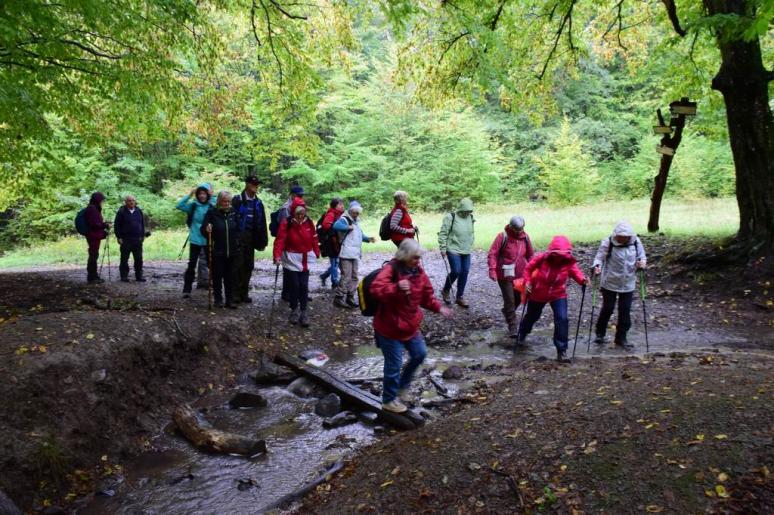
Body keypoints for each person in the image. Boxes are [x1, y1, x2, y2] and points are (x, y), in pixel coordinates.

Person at [370, 239, 452, 413]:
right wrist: (396, 287)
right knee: (394, 365)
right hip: (389, 327)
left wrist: (439, 307)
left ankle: (402, 386)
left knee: (419, 354)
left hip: (410, 325)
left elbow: (426, 296)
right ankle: (389, 400)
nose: (418, 261)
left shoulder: (419, 273)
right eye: (414, 258)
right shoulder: (391, 269)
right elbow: (376, 289)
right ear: (404, 256)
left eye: (419, 257)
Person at [518, 235, 588, 362]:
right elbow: (528, 269)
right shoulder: (542, 258)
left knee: (562, 319)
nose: (559, 257)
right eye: (557, 254)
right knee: (532, 316)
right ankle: (522, 334)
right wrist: (527, 282)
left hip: (558, 294)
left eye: (562, 255)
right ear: (552, 252)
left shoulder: (568, 261)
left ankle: (561, 351)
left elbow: (576, 273)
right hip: (538, 293)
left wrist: (583, 280)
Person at [592, 221, 647, 347]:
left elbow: (642, 257)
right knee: (608, 308)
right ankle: (600, 334)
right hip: (610, 281)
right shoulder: (609, 242)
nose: (622, 238)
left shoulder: (636, 242)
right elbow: (599, 258)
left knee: (625, 310)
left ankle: (621, 338)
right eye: (620, 236)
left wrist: (642, 263)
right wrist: (596, 266)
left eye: (625, 236)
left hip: (628, 282)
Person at [273, 198, 320, 328]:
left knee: (303, 286)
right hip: (291, 258)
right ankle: (294, 309)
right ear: (294, 212)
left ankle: (304, 312)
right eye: (298, 213)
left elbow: (314, 238)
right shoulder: (287, 223)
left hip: (305, 258)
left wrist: (317, 251)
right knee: (294, 285)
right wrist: (277, 256)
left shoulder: (309, 222)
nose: (300, 216)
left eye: (302, 213)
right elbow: (280, 240)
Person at [487, 216, 534, 337]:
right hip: (504, 275)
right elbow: (492, 254)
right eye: (517, 229)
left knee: (519, 298)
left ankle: (507, 312)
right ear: (511, 227)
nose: (519, 232)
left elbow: (530, 255)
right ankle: (513, 327)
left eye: (521, 229)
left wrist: (534, 271)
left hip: (520, 274)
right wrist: (492, 270)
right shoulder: (502, 236)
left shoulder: (526, 237)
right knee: (510, 300)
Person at [231, 172, 269, 303]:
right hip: (239, 237)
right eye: (253, 184)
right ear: (247, 185)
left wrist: (263, 240)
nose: (256, 187)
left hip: (252, 238)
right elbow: (232, 219)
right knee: (237, 266)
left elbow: (263, 222)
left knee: (249, 266)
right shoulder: (237, 200)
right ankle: (235, 294)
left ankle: (244, 293)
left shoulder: (258, 203)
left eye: (257, 185)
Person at [333, 201, 376, 308]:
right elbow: (335, 226)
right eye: (355, 212)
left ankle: (350, 297)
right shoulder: (344, 219)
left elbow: (360, 234)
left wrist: (368, 239)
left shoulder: (356, 221)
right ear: (351, 211)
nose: (357, 214)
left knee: (354, 276)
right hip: (346, 253)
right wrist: (347, 227)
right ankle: (338, 298)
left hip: (355, 253)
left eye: (358, 213)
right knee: (346, 276)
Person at [202, 191, 239, 309]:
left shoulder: (234, 213)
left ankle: (230, 300)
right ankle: (218, 299)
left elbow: (238, 229)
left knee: (230, 277)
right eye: (224, 201)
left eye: (228, 201)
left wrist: (238, 242)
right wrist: (207, 228)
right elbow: (202, 229)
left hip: (232, 251)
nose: (227, 204)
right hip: (217, 250)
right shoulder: (212, 213)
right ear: (219, 201)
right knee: (217, 276)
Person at [176, 184, 212, 298]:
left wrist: (212, 195)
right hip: (195, 239)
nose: (202, 196)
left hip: (208, 239)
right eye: (200, 194)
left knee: (212, 264)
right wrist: (190, 194)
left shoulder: (211, 206)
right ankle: (187, 290)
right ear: (197, 195)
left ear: (207, 195)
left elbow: (220, 206)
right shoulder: (193, 206)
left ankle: (216, 288)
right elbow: (179, 205)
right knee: (191, 264)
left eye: (204, 194)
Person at [438, 198, 475, 307]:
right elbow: (443, 233)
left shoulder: (470, 217)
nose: (468, 213)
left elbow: (471, 231)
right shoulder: (451, 217)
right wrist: (443, 248)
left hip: (466, 249)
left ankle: (459, 297)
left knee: (465, 271)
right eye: (466, 210)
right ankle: (445, 290)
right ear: (461, 208)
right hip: (453, 248)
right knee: (456, 270)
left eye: (470, 211)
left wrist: (471, 241)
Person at [279, 184, 306, 302]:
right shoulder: (285, 208)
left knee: (299, 268)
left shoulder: (301, 206)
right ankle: (286, 293)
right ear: (292, 195)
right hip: (288, 243)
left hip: (299, 243)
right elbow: (283, 227)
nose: (300, 197)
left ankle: (298, 293)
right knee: (288, 269)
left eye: (301, 195)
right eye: (298, 195)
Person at [114, 195, 149, 282]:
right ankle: (124, 276)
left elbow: (142, 224)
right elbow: (116, 225)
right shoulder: (121, 211)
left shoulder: (138, 211)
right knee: (124, 259)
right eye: (129, 201)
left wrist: (142, 235)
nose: (132, 202)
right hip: (125, 239)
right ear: (126, 202)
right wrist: (119, 237)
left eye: (133, 200)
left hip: (137, 239)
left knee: (139, 259)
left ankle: (139, 276)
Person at [84, 192, 111, 283]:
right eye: (101, 200)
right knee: (93, 255)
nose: (102, 202)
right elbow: (94, 224)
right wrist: (104, 225)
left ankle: (94, 276)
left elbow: (96, 223)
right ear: (97, 200)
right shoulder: (92, 209)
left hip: (94, 236)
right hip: (93, 236)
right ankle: (92, 278)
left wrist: (103, 226)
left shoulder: (93, 208)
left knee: (94, 255)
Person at [319, 197, 345, 289]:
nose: (342, 206)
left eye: (342, 204)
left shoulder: (340, 214)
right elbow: (325, 226)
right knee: (335, 261)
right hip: (331, 242)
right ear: (334, 206)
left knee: (336, 262)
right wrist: (337, 228)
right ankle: (335, 281)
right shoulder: (331, 214)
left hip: (337, 242)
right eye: (340, 204)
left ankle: (324, 276)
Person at [196, 183, 215, 289]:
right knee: (203, 258)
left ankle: (207, 280)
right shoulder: (197, 204)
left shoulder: (213, 202)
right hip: (200, 236)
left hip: (212, 235)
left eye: (207, 191)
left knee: (210, 258)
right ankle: (203, 281)